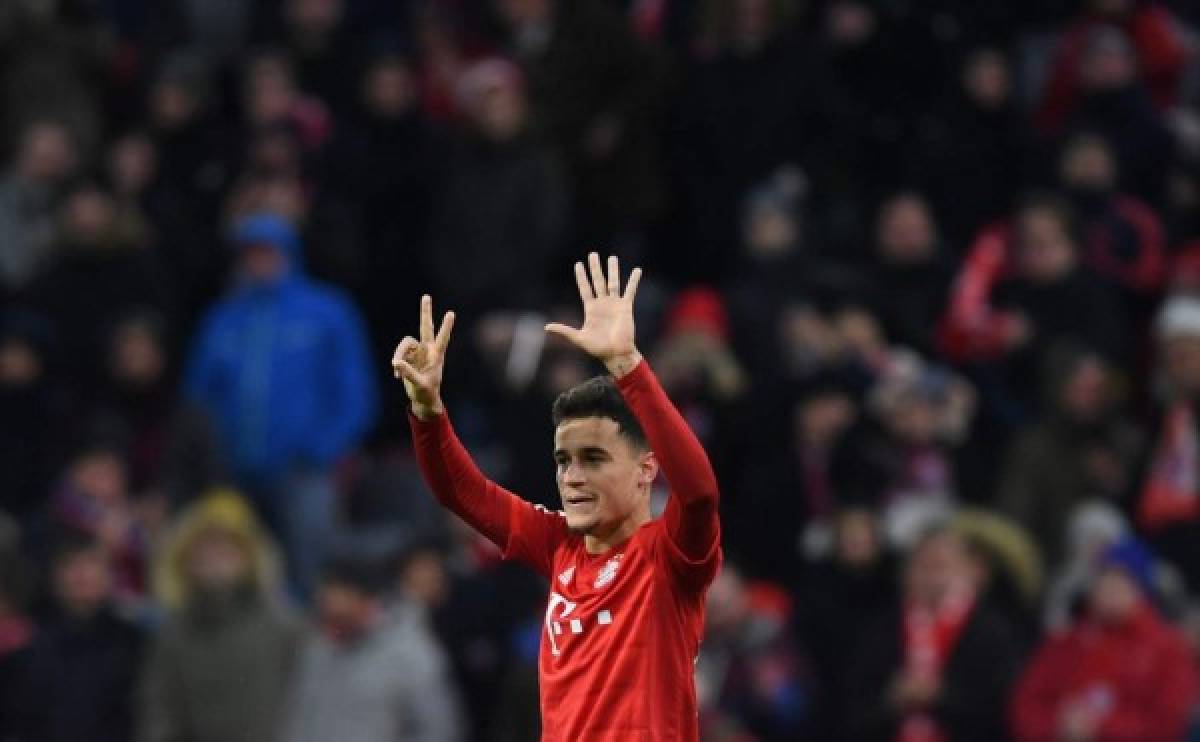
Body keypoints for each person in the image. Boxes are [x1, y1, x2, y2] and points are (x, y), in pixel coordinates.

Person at [392, 253, 722, 740]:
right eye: (564, 460)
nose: (572, 476)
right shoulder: (558, 544)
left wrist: (629, 368)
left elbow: (698, 493)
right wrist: (427, 411)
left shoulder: (669, 556)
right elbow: (462, 493)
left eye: (594, 458)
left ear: (645, 468)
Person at [185, 211, 376, 600]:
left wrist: (324, 448)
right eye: (250, 254)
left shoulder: (325, 310)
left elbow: (356, 392)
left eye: (268, 252)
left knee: (315, 572)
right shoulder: (224, 318)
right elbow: (197, 397)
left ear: (288, 254)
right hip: (234, 476)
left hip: (305, 472)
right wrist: (210, 459)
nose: (259, 262)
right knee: (243, 579)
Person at [137, 490, 302, 742]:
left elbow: (308, 703)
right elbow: (161, 711)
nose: (215, 556)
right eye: (204, 548)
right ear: (186, 562)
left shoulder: (283, 625)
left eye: (227, 547)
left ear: (248, 558)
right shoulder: (173, 633)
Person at [844, 526, 1023, 742]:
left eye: (940, 566)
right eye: (922, 565)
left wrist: (941, 696)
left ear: (974, 571)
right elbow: (851, 711)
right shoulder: (880, 630)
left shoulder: (992, 631)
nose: (931, 577)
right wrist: (892, 701)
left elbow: (1004, 709)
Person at [1011, 538, 1198, 742]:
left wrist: (1101, 727)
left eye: (1120, 581)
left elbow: (1167, 723)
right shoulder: (1066, 640)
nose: (1109, 588)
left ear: (1141, 591)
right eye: (1104, 579)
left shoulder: (1166, 649)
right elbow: (1027, 704)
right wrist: (1057, 724)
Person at [278, 553, 463, 742]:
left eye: (336, 593)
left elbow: (438, 729)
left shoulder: (411, 653)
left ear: (364, 598)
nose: (326, 603)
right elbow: (299, 719)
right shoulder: (318, 648)